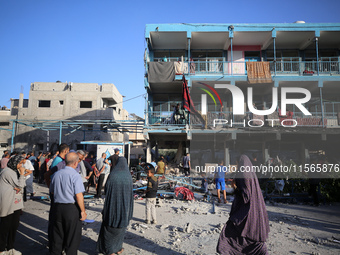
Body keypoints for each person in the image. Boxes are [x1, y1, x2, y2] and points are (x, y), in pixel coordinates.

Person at [217, 155, 270, 255]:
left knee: (231, 233)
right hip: (252, 211)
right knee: (248, 236)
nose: (237, 166)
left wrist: (235, 186)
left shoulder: (243, 174)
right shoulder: (250, 173)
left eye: (238, 164)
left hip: (244, 212)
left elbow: (246, 194)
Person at [49, 152, 87, 255]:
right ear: (76, 163)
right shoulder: (75, 175)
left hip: (58, 207)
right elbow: (79, 195)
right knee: (72, 238)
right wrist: (83, 211)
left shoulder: (57, 174)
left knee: (57, 236)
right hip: (71, 208)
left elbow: (52, 191)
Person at [97, 157, 133, 255]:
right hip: (124, 208)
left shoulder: (113, 175)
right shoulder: (128, 176)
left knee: (109, 229)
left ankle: (110, 251)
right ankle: (117, 249)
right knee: (120, 231)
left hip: (112, 207)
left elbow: (107, 190)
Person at [0, 155, 26, 255]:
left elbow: (19, 187)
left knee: (14, 226)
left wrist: (19, 185)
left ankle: (10, 247)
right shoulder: (7, 172)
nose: (21, 165)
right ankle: (1, 249)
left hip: (15, 202)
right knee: (5, 226)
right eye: (20, 163)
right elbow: (20, 185)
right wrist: (23, 174)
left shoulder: (14, 171)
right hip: (7, 202)